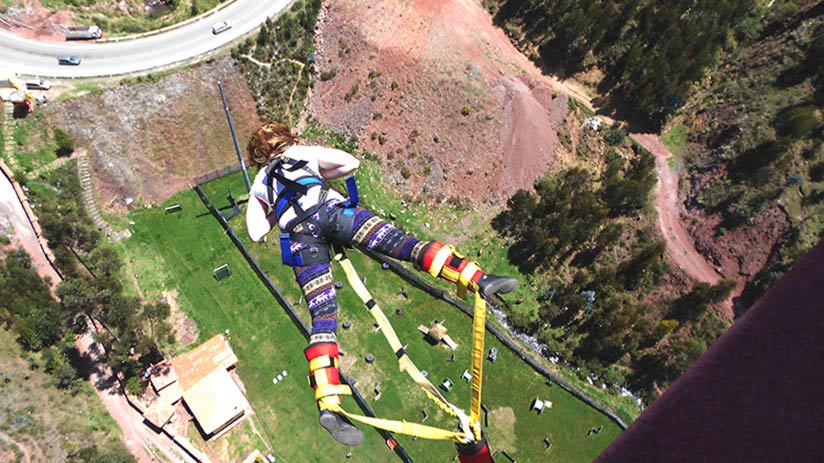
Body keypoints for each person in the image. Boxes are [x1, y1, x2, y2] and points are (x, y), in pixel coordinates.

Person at [245, 123, 518, 446]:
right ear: (286, 140)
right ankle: (477, 279)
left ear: (260, 156)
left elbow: (256, 232)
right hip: (333, 212)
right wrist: (318, 178)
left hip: (302, 242)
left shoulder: (261, 182)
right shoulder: (301, 153)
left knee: (323, 316)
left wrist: (277, 207)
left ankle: (329, 403)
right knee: (404, 246)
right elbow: (349, 163)